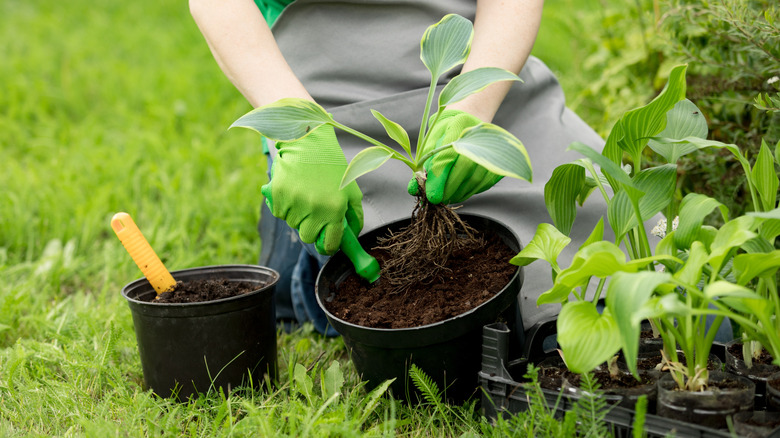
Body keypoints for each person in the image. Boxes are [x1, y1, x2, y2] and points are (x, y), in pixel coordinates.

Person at [189, 0, 608, 336]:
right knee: (390, 292)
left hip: (470, 80)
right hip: (329, 107)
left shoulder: (476, 97)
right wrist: (302, 131)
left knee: (615, 226)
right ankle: (295, 273)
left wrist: (475, 108)